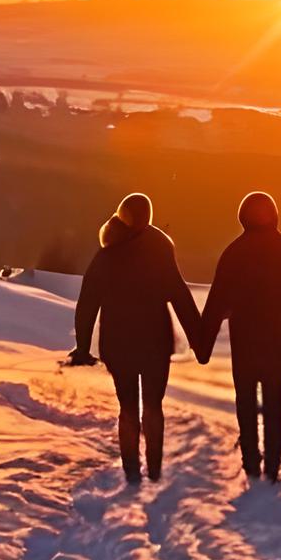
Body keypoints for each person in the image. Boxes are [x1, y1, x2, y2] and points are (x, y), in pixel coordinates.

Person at [68, 192, 203, 482]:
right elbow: (179, 294)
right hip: (155, 341)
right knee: (153, 406)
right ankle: (154, 470)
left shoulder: (108, 252)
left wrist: (82, 347)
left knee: (127, 407)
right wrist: (198, 338)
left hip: (118, 344)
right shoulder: (159, 249)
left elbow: (88, 303)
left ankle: (132, 472)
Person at [198, 191, 281, 482]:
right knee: (274, 407)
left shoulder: (235, 252)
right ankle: (272, 468)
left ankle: (250, 461)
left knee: (245, 402)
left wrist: (203, 344)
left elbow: (216, 303)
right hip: (278, 347)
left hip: (245, 345)